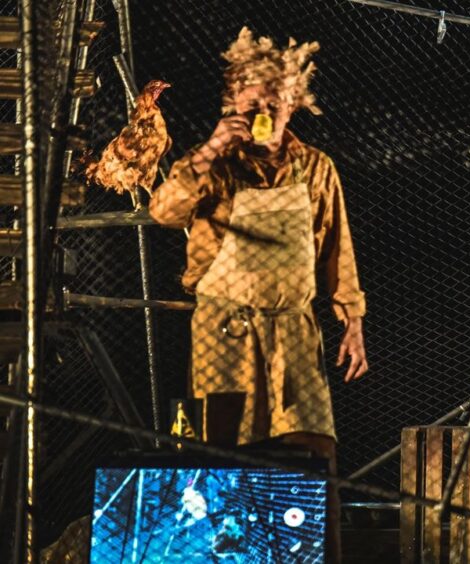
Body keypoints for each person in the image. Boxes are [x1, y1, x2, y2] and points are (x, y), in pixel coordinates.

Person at [149, 27, 367, 563]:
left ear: (293, 104)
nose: (263, 113)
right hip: (224, 337)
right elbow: (164, 211)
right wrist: (212, 147)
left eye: (274, 103)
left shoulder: (316, 168)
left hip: (293, 336)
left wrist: (353, 321)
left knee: (312, 454)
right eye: (252, 105)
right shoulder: (214, 166)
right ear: (233, 105)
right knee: (218, 462)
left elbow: (337, 248)